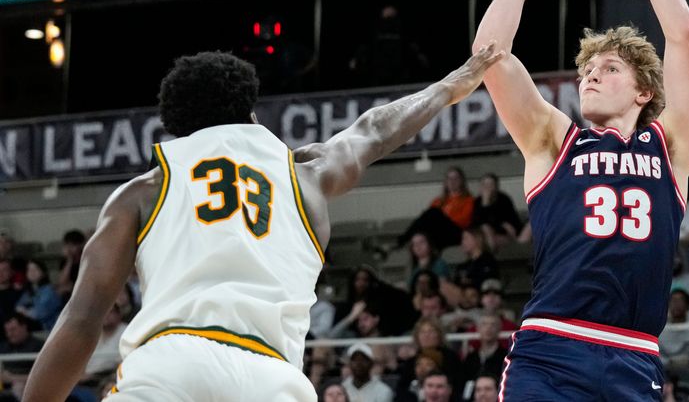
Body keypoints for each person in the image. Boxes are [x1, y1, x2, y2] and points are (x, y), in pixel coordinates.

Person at [22, 47, 502, 401]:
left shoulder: (142, 190)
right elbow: (373, 132)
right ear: (250, 113)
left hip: (172, 367)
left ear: (176, 128)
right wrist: (448, 87)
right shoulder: (306, 175)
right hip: (275, 380)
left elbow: (82, 320)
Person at [474, 0, 689, 400]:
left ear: (645, 91)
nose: (591, 77)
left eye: (609, 69)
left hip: (635, 355)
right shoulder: (553, 139)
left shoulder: (670, 145)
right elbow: (490, 55)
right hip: (550, 349)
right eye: (586, 70)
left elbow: (684, 37)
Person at [470, 173, 523, 250]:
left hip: (503, 233)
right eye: (485, 185)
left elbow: (510, 222)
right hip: (484, 235)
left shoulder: (504, 199)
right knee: (486, 228)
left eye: (491, 184)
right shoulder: (477, 201)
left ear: (496, 187)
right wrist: (485, 203)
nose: (488, 188)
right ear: (480, 187)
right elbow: (478, 222)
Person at [15, 259, 62, 331]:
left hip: (49, 329)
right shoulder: (29, 291)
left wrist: (25, 311)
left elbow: (40, 314)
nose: (32, 272)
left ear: (43, 272)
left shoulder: (48, 290)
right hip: (34, 329)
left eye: (35, 269)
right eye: (29, 269)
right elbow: (18, 307)